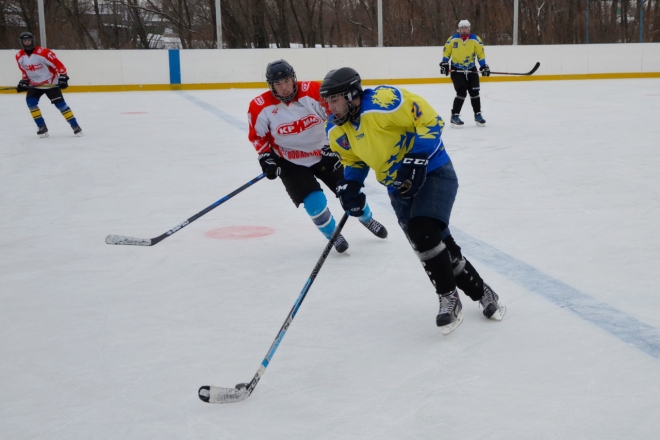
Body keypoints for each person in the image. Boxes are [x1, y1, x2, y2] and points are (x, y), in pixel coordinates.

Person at [320, 67, 505, 334]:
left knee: (423, 231)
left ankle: (448, 298)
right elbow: (354, 160)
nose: (330, 107)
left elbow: (431, 120)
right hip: (398, 188)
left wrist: (417, 157)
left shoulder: (384, 101)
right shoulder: (336, 130)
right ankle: (482, 292)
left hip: (434, 171)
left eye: (334, 100)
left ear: (352, 95)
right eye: (327, 101)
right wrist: (351, 184)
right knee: (435, 243)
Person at [247, 59, 387, 253]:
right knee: (314, 201)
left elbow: (337, 116)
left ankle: (367, 218)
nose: (285, 88)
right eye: (278, 84)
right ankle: (334, 235)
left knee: (350, 190)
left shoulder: (314, 91)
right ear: (271, 86)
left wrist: (333, 147)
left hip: (325, 153)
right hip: (289, 161)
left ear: (294, 78)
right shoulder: (259, 107)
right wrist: (266, 158)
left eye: (287, 81)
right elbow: (258, 137)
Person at [15, 32, 82, 138]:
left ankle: (75, 126)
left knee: (61, 106)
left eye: (28, 40)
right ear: (22, 42)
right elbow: (24, 71)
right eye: (24, 41)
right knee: (31, 103)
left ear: (32, 40)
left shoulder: (43, 53)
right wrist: (24, 81)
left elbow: (58, 64)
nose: (27, 42)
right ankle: (41, 127)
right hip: (35, 85)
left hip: (50, 83)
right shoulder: (19, 56)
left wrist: (63, 76)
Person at [439, 20, 490, 128]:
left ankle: (478, 115)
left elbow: (480, 54)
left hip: (471, 69)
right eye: (462, 28)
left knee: (475, 91)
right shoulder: (453, 39)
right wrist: (444, 63)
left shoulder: (475, 39)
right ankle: (455, 116)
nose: (464, 30)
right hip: (456, 69)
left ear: (469, 29)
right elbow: (446, 52)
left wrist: (484, 66)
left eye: (466, 28)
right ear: (459, 29)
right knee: (461, 91)